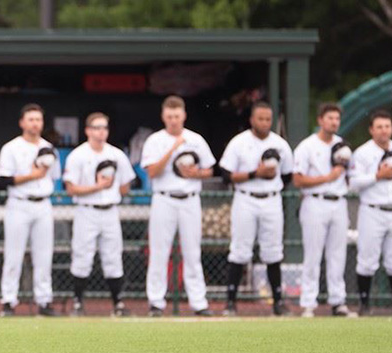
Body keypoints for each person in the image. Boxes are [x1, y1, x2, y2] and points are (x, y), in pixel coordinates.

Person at [139, 96, 215, 317]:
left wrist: (196, 173)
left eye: (177, 116)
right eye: (170, 116)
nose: (173, 120)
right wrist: (173, 148)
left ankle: (198, 302)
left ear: (184, 115)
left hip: (190, 198)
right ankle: (156, 302)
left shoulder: (196, 139)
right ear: (164, 116)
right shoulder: (155, 140)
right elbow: (152, 171)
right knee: (159, 251)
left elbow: (209, 169)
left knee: (192, 252)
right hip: (164, 198)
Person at [218, 101, 294, 316]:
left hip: (271, 199)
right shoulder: (239, 142)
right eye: (260, 118)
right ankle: (231, 302)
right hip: (245, 199)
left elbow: (287, 175)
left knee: (273, 250)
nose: (264, 123)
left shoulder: (280, 144)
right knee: (240, 250)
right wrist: (255, 174)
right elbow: (226, 175)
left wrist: (268, 181)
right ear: (251, 119)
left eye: (268, 119)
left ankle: (278, 301)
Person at [63, 112, 136, 317]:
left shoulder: (116, 155)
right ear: (87, 130)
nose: (100, 132)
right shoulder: (78, 155)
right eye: (96, 127)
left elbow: (125, 187)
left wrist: (109, 188)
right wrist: (98, 187)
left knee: (113, 257)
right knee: (82, 256)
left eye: (104, 127)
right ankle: (77, 302)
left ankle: (118, 303)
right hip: (87, 210)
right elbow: (71, 189)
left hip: (110, 210)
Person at [0, 104, 60, 317]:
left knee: (44, 255)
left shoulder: (49, 147)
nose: (35, 123)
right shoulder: (11, 147)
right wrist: (31, 175)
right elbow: (2, 179)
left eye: (38, 120)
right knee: (13, 254)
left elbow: (54, 177)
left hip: (43, 204)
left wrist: (39, 176)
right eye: (31, 119)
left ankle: (44, 300)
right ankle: (8, 301)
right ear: (22, 122)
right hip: (19, 204)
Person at [292, 102, 355, 317]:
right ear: (320, 120)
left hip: (339, 202)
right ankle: (308, 302)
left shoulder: (343, 146)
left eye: (337, 119)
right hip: (315, 202)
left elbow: (351, 177)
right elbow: (297, 179)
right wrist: (326, 178)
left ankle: (338, 301)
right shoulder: (307, 146)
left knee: (338, 254)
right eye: (330, 118)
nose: (334, 122)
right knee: (313, 253)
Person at [348, 109, 392, 316]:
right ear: (371, 130)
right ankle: (364, 305)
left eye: (387, 126)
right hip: (372, 210)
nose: (384, 131)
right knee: (367, 260)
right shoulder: (362, 153)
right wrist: (378, 175)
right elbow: (353, 183)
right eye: (380, 127)